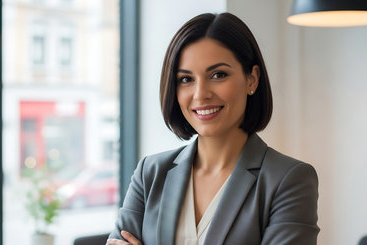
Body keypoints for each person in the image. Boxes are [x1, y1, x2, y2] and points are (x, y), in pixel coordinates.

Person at [107, 12, 319, 245]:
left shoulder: (288, 179)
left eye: (218, 75)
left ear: (252, 79)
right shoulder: (150, 173)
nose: (200, 94)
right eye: (186, 79)